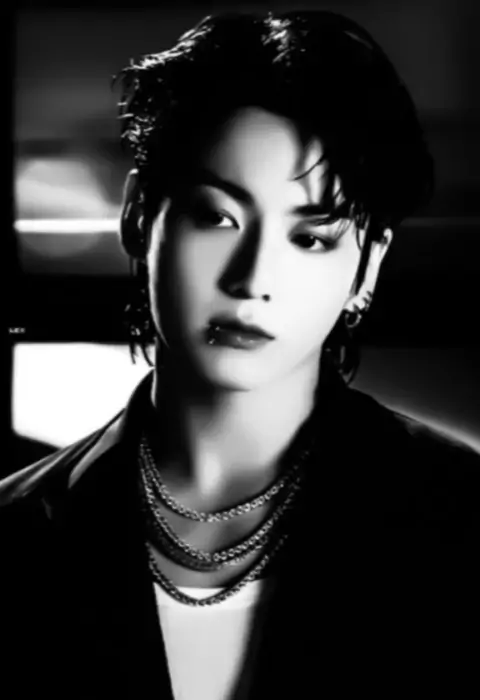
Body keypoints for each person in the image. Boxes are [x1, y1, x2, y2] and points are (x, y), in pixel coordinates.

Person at [2, 10, 479, 700]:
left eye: (309, 237)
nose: (252, 279)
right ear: (139, 216)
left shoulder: (458, 520)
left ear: (368, 265)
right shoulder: (19, 530)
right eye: (216, 217)